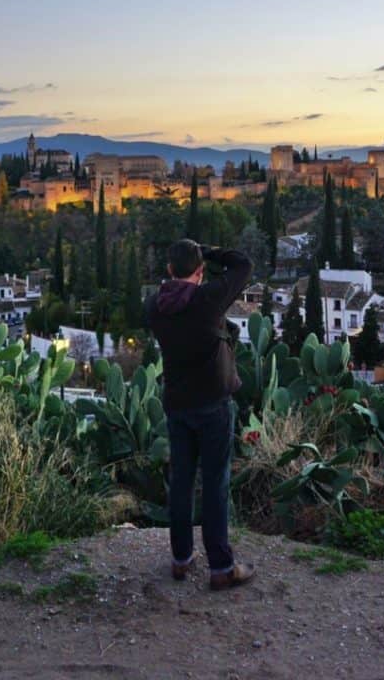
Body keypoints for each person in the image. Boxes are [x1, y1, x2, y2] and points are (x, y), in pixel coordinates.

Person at [144, 239, 255, 591]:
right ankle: (221, 566)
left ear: (168, 271)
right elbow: (243, 265)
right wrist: (208, 250)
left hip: (177, 405)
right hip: (213, 406)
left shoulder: (153, 306)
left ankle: (181, 559)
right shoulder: (207, 301)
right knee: (214, 485)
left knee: (181, 482)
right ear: (199, 271)